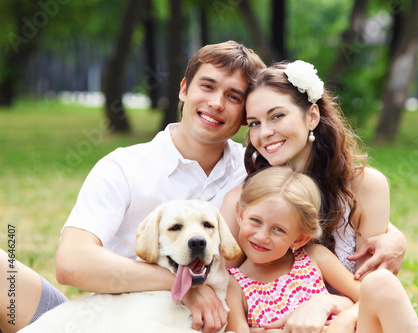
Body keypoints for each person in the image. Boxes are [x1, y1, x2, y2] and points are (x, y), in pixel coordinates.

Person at [0, 40, 266, 333]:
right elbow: (72, 262)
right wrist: (185, 284)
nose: (216, 103)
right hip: (101, 320)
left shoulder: (253, 174)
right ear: (184, 89)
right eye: (207, 86)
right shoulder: (125, 167)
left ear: (245, 114)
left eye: (233, 96)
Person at [220, 60, 407, 331]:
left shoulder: (365, 186)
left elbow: (371, 291)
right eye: (254, 123)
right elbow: (221, 284)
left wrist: (327, 306)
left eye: (277, 116)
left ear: (312, 116)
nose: (265, 132)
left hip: (351, 323)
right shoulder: (245, 198)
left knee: (382, 284)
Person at [225, 166, 418, 333]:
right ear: (240, 215)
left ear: (300, 238)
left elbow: (364, 297)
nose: (261, 236)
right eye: (255, 221)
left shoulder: (314, 257)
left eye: (279, 229)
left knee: (382, 281)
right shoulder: (234, 286)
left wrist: (339, 312)